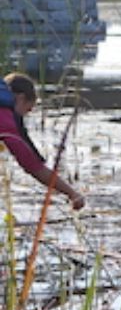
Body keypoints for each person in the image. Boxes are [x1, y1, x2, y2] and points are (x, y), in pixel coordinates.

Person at [0, 73, 85, 210]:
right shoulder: (6, 120)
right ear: (20, 98)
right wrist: (72, 194)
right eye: (27, 110)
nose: (24, 116)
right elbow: (35, 168)